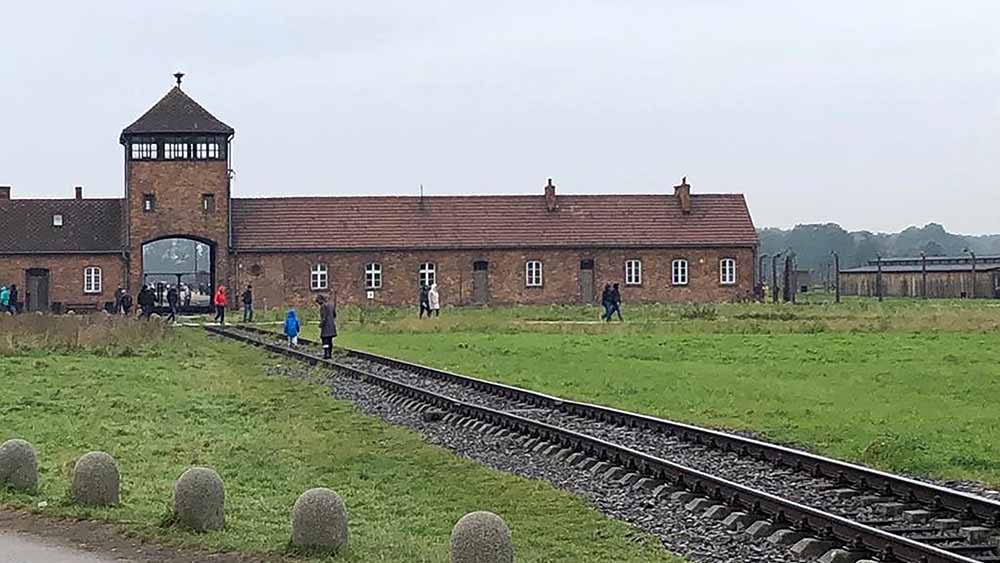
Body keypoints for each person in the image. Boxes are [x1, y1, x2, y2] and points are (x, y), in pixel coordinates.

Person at [317, 295, 337, 359]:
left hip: (326, 327)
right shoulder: (331, 305)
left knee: (325, 341)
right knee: (330, 341)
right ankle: (330, 354)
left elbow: (324, 317)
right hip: (331, 326)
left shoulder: (323, 307)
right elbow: (334, 315)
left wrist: (321, 324)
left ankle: (326, 354)